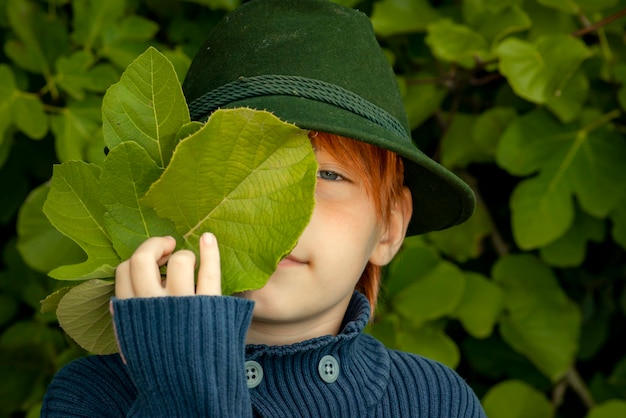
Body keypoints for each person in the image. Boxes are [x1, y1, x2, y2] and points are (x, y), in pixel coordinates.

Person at [41, 0, 485, 416]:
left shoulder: (435, 402)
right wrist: (180, 388)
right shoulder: (92, 397)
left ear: (388, 228)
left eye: (329, 175)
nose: (277, 208)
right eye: (234, 171)